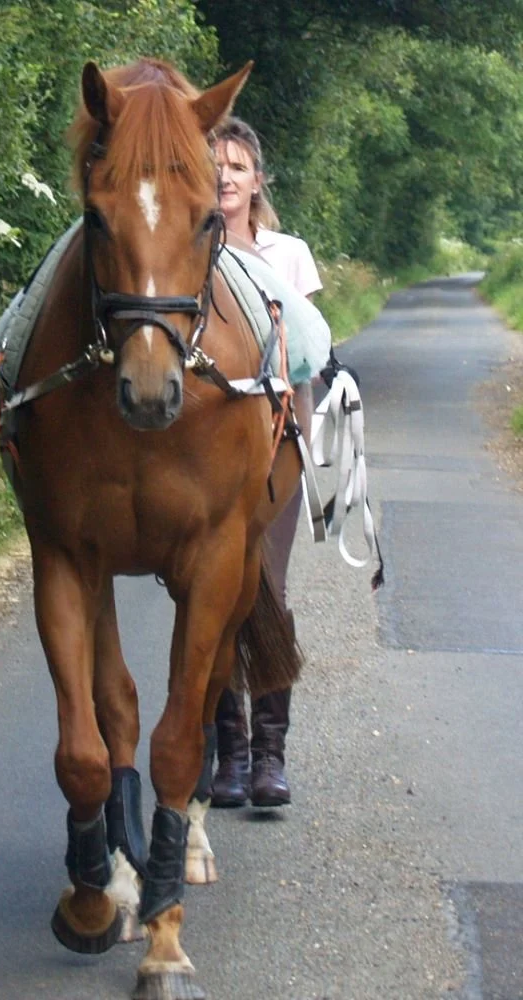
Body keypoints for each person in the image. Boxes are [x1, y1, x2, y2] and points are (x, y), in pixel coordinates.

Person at [211, 116, 322, 809]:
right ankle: (231, 753)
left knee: (267, 594)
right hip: (206, 462)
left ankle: (270, 756)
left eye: (238, 166)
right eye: (214, 165)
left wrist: (304, 454)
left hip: (274, 451)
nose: (225, 176)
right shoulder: (183, 247)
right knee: (213, 602)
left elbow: (306, 361)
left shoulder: (288, 253)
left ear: (258, 180)